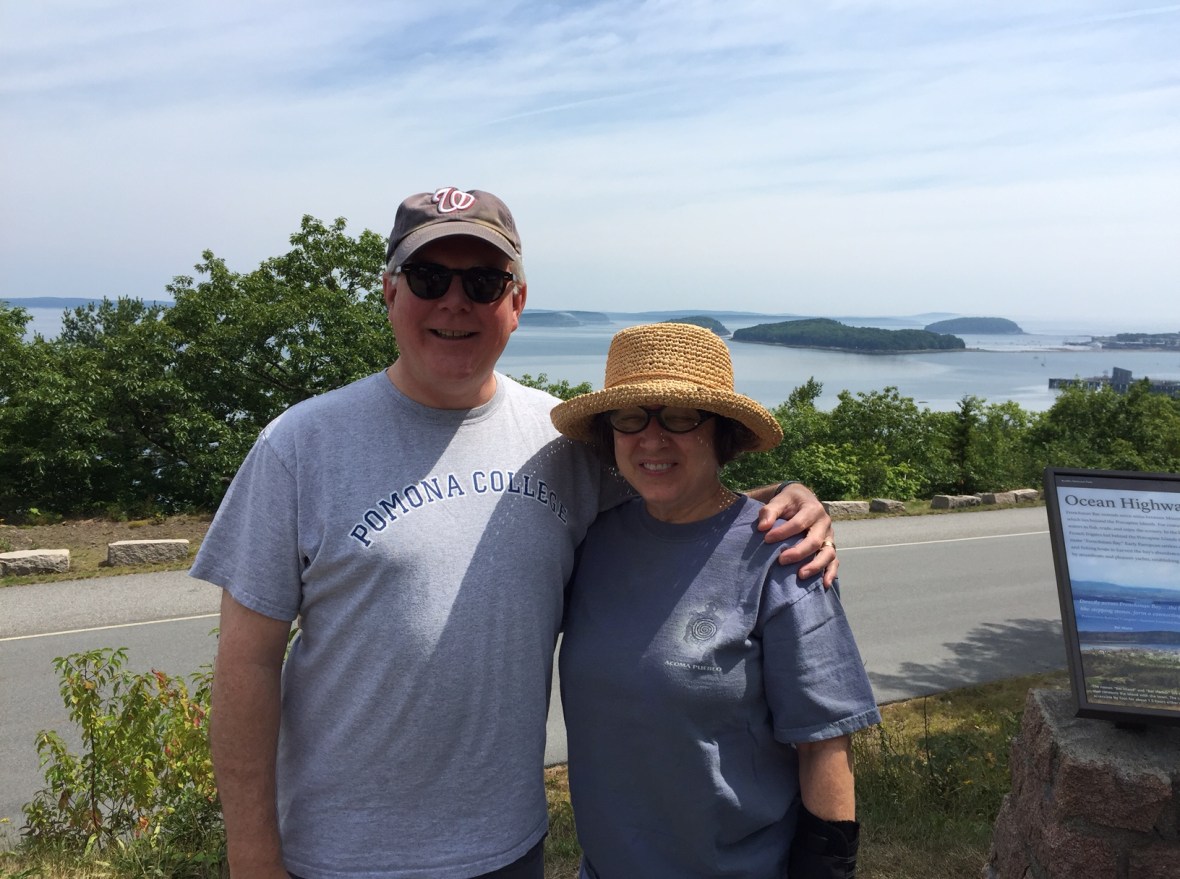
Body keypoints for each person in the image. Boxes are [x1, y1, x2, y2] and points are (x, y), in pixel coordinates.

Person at [193, 187, 838, 879]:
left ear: (517, 301)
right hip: (335, 855)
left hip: (507, 850)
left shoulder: (563, 441)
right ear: (388, 291)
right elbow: (248, 663)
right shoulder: (300, 444)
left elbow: (685, 496)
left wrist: (788, 500)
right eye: (429, 278)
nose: (455, 302)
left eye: (483, 281)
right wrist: (253, 855)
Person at [551, 322, 881, 878]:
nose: (652, 439)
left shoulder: (782, 555)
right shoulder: (591, 543)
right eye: (631, 417)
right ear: (610, 434)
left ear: (722, 431)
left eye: (680, 417)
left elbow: (823, 743)